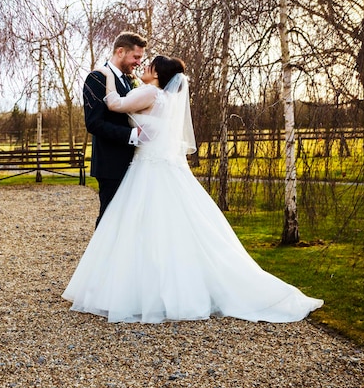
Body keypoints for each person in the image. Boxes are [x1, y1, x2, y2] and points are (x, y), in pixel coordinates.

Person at [62, 55, 323, 323]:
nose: (144, 68)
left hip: (149, 169)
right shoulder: (167, 99)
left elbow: (115, 104)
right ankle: (170, 288)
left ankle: (137, 291)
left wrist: (106, 75)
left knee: (141, 227)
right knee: (170, 228)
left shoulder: (151, 92)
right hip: (158, 166)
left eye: (149, 66)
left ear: (158, 75)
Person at [84, 31, 147, 226]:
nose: (138, 62)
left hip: (134, 162)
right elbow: (94, 123)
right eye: (135, 57)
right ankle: (98, 257)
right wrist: (131, 135)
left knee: (128, 220)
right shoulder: (96, 78)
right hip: (110, 164)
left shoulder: (129, 80)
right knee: (109, 219)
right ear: (120, 51)